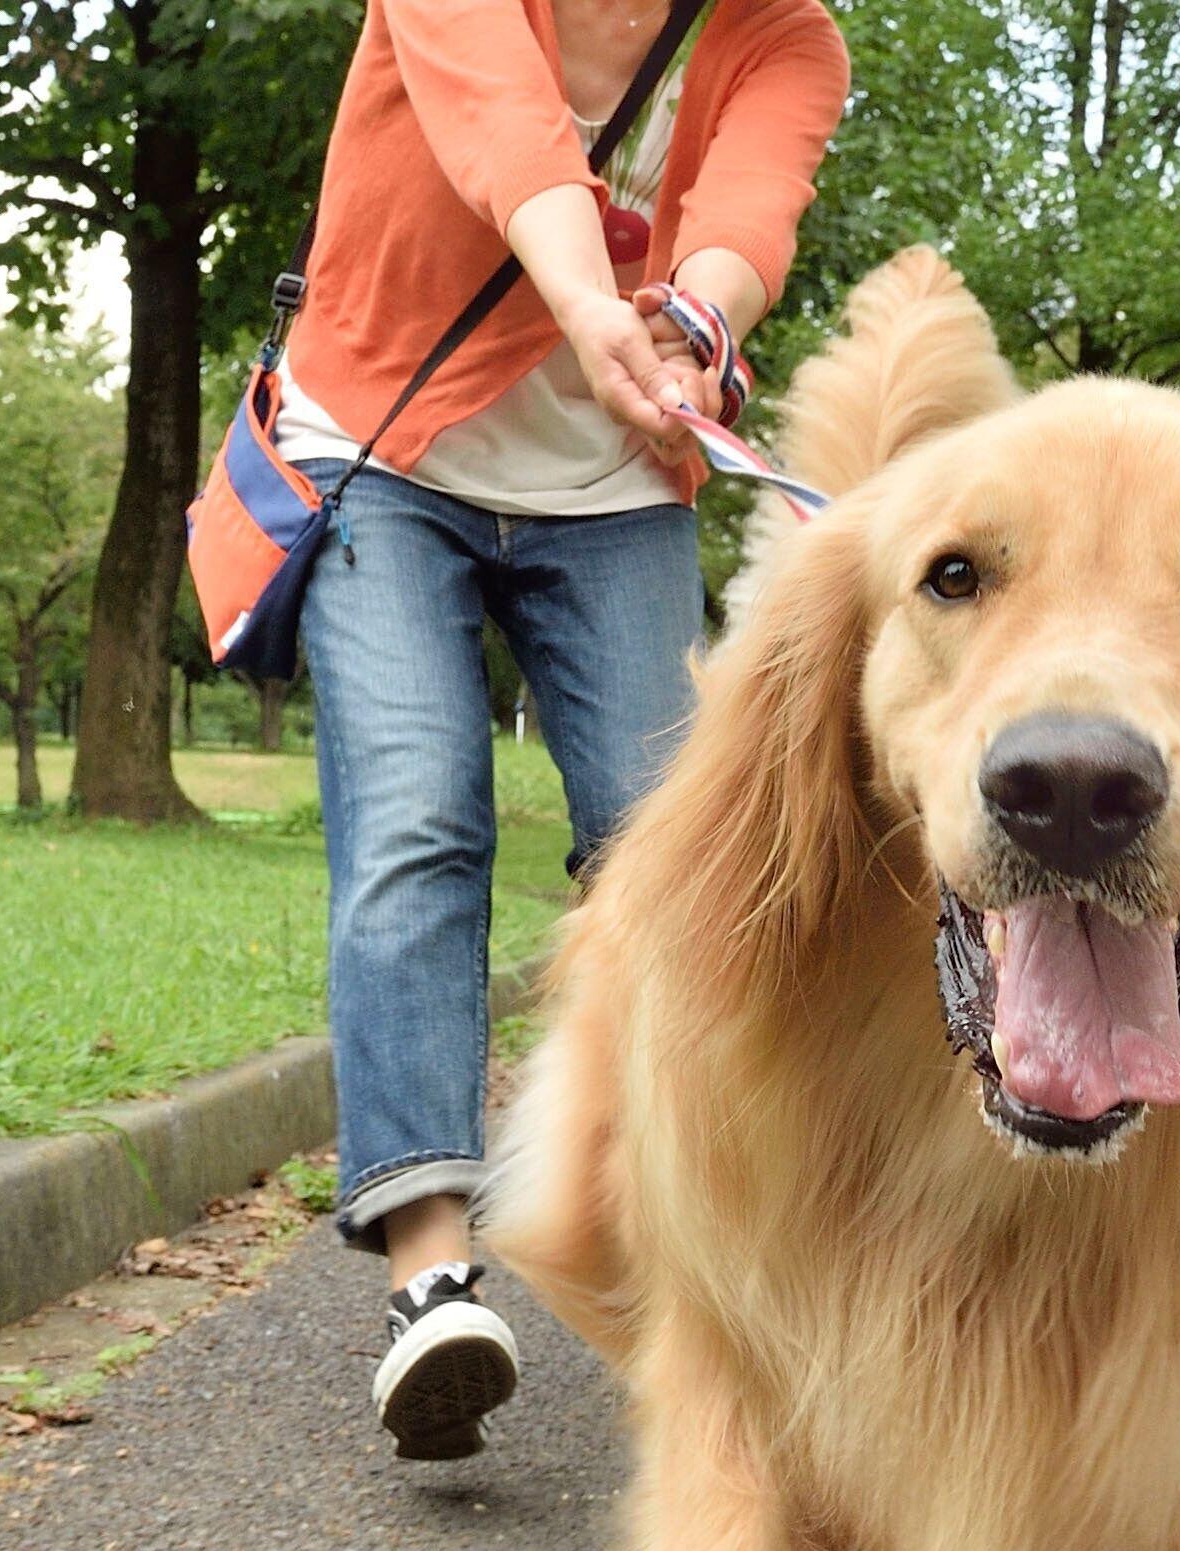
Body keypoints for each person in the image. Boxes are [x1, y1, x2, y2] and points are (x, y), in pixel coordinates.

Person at [278, 0, 848, 1460]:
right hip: (387, 447)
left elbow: (749, 209)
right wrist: (592, 305)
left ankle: (712, 1241)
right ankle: (433, 1277)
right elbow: (504, 133)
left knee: (679, 857)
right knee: (417, 817)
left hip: (612, 483)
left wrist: (693, 327)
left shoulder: (788, 36)